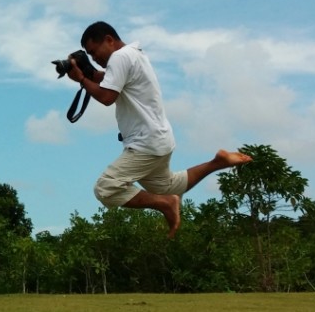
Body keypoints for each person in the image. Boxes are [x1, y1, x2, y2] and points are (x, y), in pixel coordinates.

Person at [67, 21, 252, 238]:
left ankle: (166, 204)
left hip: (144, 143)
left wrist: (80, 78)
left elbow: (107, 97)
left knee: (106, 188)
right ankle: (217, 162)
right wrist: (86, 72)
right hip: (159, 140)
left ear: (109, 40)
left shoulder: (120, 57)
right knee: (169, 185)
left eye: (94, 52)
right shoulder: (134, 55)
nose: (94, 58)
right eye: (89, 55)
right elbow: (104, 79)